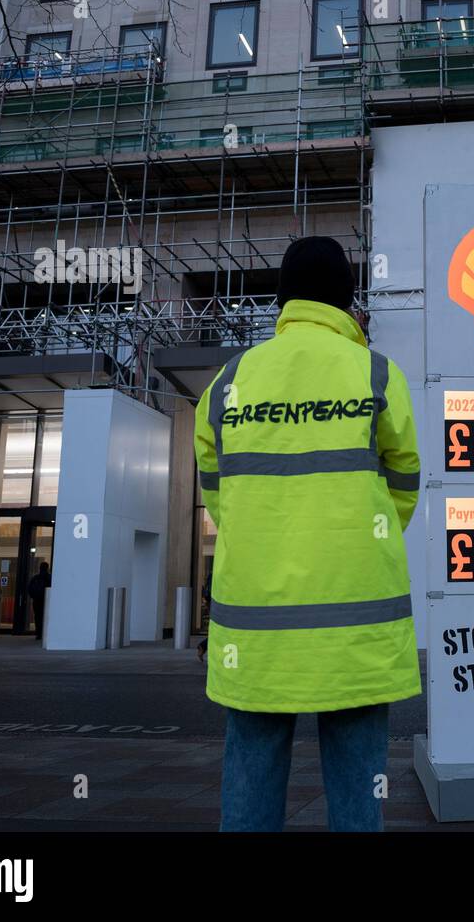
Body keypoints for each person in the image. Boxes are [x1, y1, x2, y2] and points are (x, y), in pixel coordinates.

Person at [195, 236, 420, 832]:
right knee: (356, 785)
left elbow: (219, 494)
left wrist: (268, 534)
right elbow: (404, 485)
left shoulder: (229, 381)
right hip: (356, 628)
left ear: (283, 300)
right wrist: (357, 535)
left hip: (256, 626)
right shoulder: (376, 372)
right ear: (347, 300)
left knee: (250, 773)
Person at [27, 561, 51, 641]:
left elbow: (30, 589)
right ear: (47, 568)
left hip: (37, 601)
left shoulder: (35, 578)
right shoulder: (49, 577)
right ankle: (46, 634)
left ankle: (39, 634)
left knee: (37, 617)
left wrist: (34, 597)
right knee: (46, 617)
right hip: (46, 601)